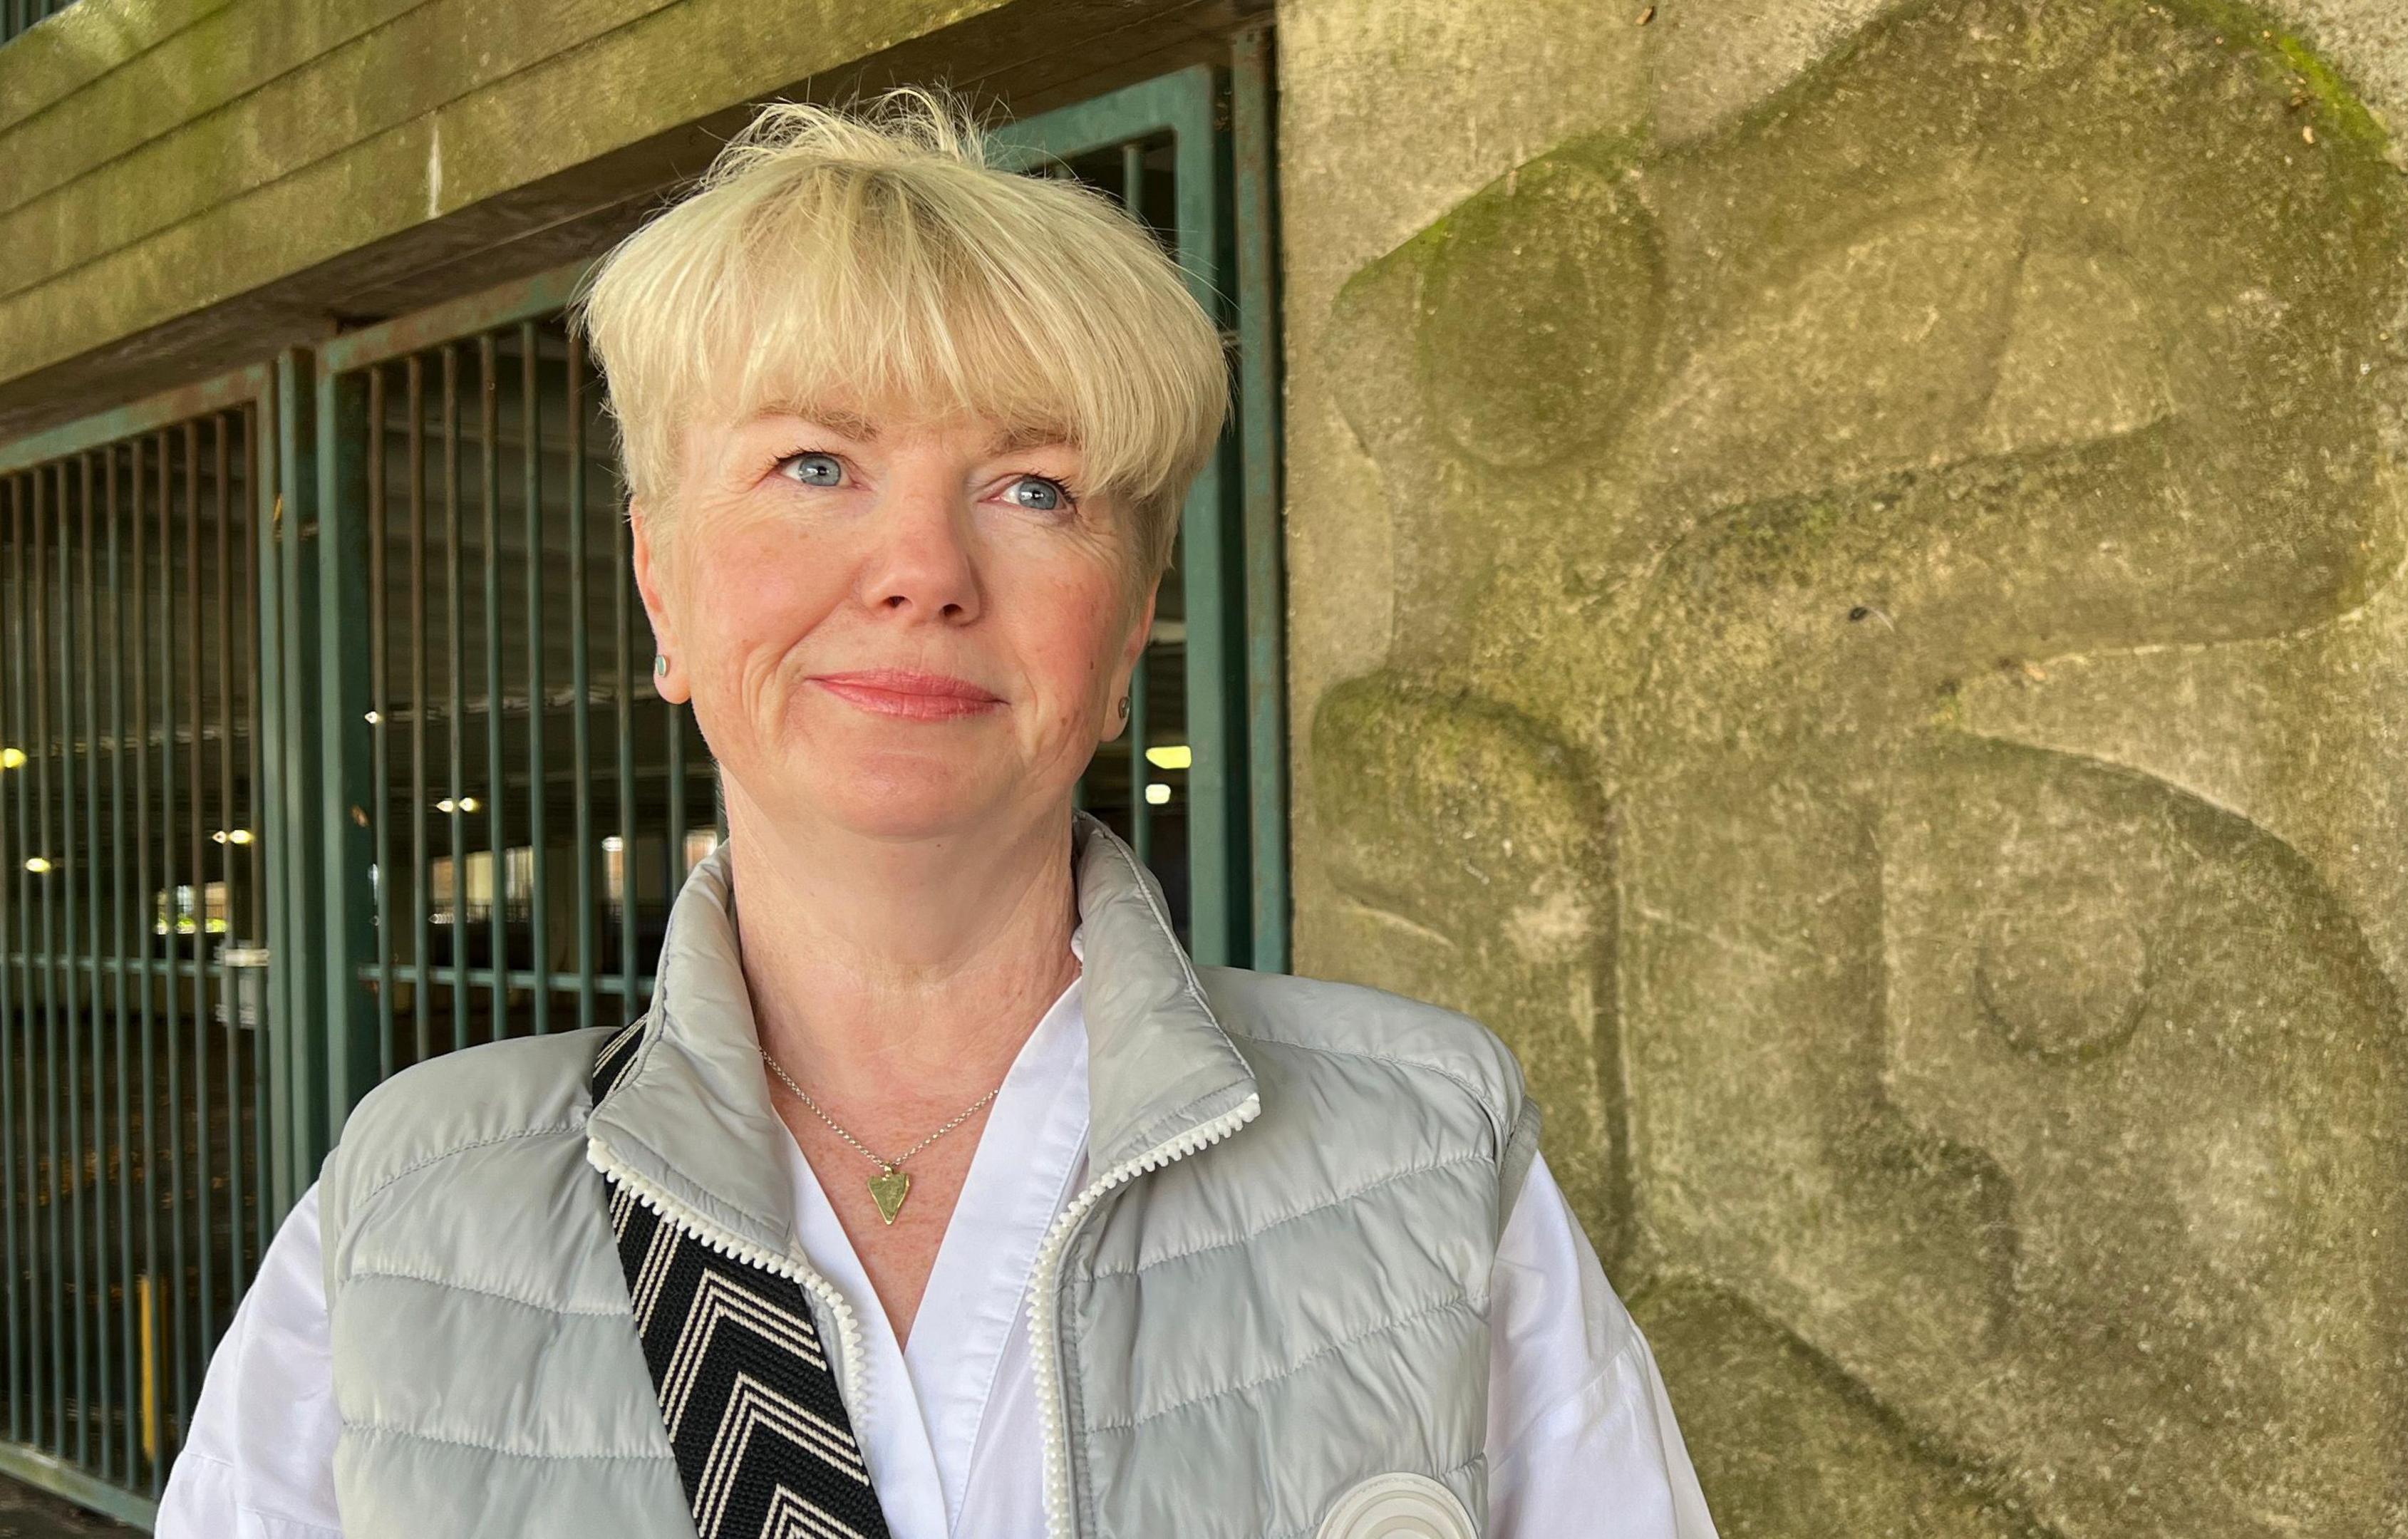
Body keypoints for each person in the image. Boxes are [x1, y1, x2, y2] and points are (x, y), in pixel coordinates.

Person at [154, 90, 1716, 1539]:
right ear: (662, 585)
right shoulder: (412, 1208)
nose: (924, 569)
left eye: (1034, 488)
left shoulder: (1428, 1148)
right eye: (815, 462)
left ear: (1128, 628)